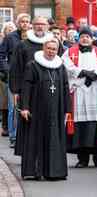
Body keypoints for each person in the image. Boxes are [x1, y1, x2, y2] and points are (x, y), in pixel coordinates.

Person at [20, 38, 70, 180]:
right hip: (37, 109)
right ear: (43, 48)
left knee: (55, 139)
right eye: (49, 48)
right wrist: (24, 107)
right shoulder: (33, 65)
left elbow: (66, 87)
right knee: (37, 139)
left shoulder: (60, 67)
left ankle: (55, 172)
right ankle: (36, 171)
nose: (51, 51)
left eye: (54, 49)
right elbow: (26, 86)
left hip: (57, 109)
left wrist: (67, 109)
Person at [62, 27, 97, 169]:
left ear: (92, 38)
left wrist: (94, 74)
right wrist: (83, 72)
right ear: (79, 38)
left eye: (88, 37)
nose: (85, 39)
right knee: (81, 127)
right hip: (79, 92)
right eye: (82, 36)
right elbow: (67, 66)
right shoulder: (70, 52)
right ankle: (82, 159)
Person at [10, 16, 53, 155]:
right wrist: (16, 90)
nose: (40, 27)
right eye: (37, 24)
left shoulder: (53, 44)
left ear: (48, 26)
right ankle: (29, 152)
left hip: (49, 90)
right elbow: (15, 68)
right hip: (29, 90)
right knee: (29, 121)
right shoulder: (23, 45)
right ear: (32, 26)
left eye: (43, 24)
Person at [0, 13, 30, 146]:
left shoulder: (32, 38)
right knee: (14, 108)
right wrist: (7, 70)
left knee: (28, 107)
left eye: (27, 21)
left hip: (30, 78)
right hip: (14, 78)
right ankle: (13, 137)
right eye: (22, 21)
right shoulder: (10, 38)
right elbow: (1, 55)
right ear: (17, 23)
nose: (24, 24)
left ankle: (27, 136)